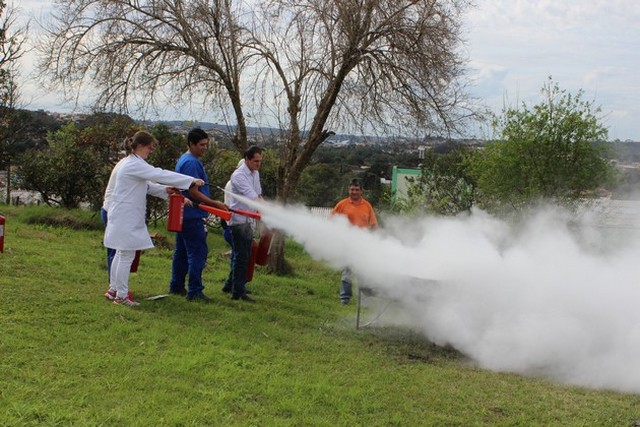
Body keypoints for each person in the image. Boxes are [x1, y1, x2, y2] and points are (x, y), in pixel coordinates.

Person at [103, 130, 205, 306]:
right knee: (126, 254)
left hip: (122, 215)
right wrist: (190, 181)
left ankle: (114, 290)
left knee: (121, 253)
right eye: (150, 148)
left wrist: (165, 191)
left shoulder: (130, 163)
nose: (151, 151)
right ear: (141, 146)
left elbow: (147, 185)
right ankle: (121, 295)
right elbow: (159, 174)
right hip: (126, 216)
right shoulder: (135, 164)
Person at [169, 128, 228, 302]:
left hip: (183, 215)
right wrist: (215, 204)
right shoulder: (192, 163)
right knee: (198, 253)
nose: (205, 148)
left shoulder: (185, 159)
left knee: (181, 252)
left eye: (206, 145)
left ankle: (176, 285)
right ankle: (195, 291)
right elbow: (193, 192)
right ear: (191, 144)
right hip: (192, 216)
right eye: (201, 145)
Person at [225, 146, 264, 302]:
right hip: (238, 222)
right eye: (255, 161)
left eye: (260, 161)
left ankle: (236, 286)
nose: (258, 164)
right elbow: (252, 197)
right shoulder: (239, 176)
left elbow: (259, 194)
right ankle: (237, 291)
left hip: (249, 221)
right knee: (242, 257)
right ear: (247, 159)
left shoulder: (255, 174)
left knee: (245, 255)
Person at [330, 178, 378, 304]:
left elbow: (374, 225)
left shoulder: (367, 206)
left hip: (362, 244)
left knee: (364, 272)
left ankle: (364, 300)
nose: (354, 192)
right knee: (347, 272)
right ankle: (345, 299)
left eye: (357, 190)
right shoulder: (342, 204)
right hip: (346, 243)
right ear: (348, 190)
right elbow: (331, 221)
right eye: (352, 189)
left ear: (361, 191)